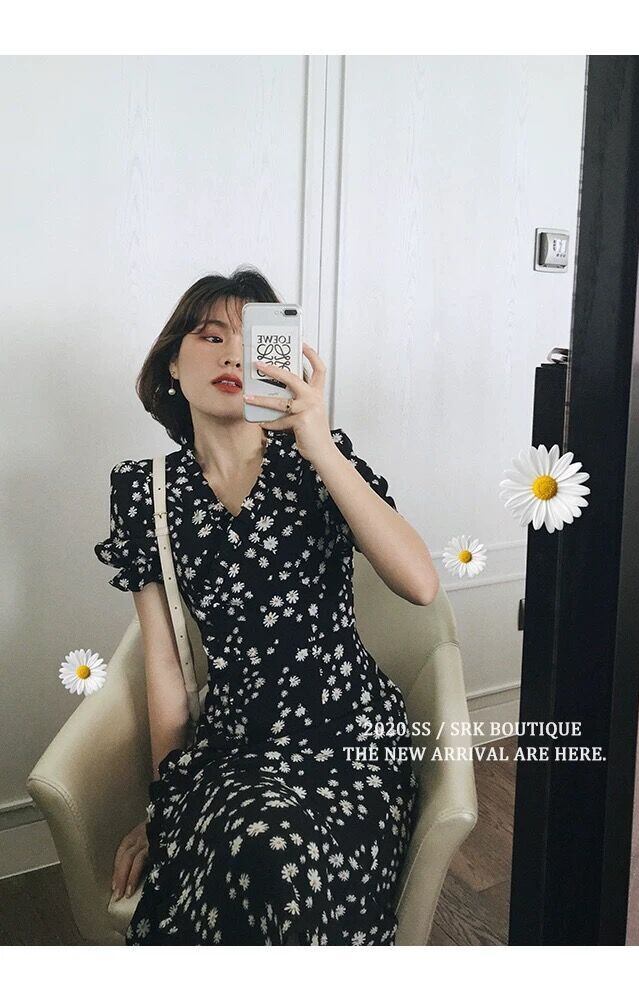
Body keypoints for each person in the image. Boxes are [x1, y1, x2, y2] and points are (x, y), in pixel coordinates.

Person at [93, 267, 439, 945]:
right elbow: (165, 665)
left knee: (271, 853)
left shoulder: (318, 459)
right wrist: (167, 802)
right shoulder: (146, 491)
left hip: (349, 739)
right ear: (172, 363)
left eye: (250, 339)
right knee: (260, 845)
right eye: (210, 335)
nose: (231, 354)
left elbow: (420, 584)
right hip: (233, 748)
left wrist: (318, 441)